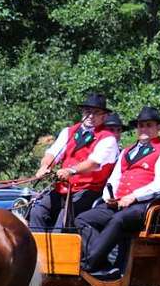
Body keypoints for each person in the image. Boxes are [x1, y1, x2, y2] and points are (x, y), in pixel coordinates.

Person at [75, 106, 160, 277]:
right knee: (83, 219)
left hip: (144, 206)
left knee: (118, 220)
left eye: (148, 125)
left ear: (158, 127)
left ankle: (88, 264)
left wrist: (134, 196)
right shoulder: (126, 151)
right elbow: (114, 178)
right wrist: (110, 197)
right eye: (141, 125)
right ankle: (103, 264)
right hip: (119, 203)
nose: (144, 129)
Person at [29, 94, 120, 231]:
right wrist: (45, 167)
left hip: (88, 190)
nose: (90, 116)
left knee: (63, 220)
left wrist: (70, 171)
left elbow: (93, 163)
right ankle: (39, 250)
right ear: (82, 113)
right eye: (87, 111)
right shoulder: (68, 132)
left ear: (104, 117)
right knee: (37, 212)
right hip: (63, 187)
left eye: (96, 113)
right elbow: (53, 153)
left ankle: (59, 249)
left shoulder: (108, 139)